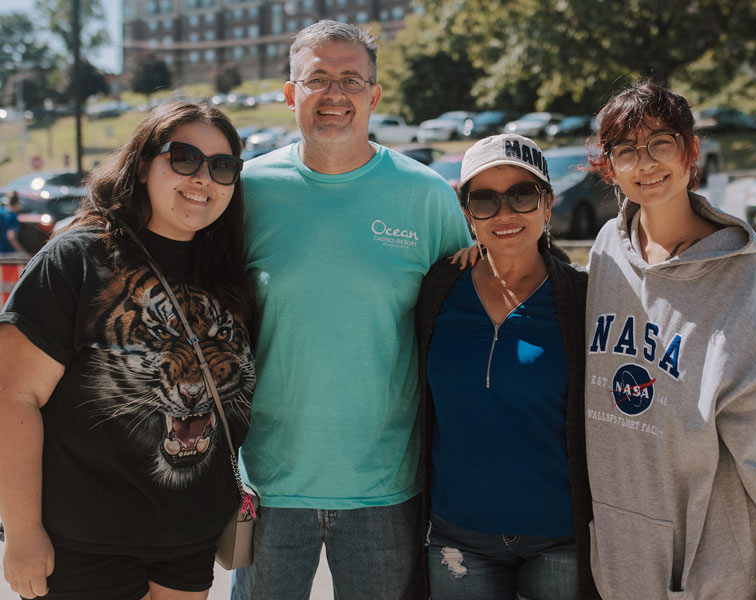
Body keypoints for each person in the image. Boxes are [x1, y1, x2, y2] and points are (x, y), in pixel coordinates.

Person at [231, 19, 471, 600]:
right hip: (268, 483)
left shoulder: (426, 196)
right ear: (290, 94)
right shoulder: (247, 192)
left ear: (374, 95)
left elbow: (468, 314)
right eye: (317, 80)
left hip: (385, 486)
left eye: (351, 80)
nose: (334, 95)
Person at [0, 102, 255, 600]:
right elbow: (13, 397)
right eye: (184, 158)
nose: (203, 177)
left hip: (190, 538)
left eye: (222, 166)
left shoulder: (226, 274)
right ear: (142, 165)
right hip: (87, 542)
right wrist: (23, 531)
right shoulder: (78, 257)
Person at [584, 80, 756, 599]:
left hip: (713, 575)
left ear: (691, 150)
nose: (646, 163)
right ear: (609, 166)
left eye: (661, 142)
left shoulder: (742, 277)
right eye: (627, 149)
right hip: (618, 564)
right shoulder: (607, 252)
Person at [415, 134, 599, 599]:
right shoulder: (439, 287)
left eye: (522, 195)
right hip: (458, 537)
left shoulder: (583, 297)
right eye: (485, 200)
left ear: (548, 204)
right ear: (467, 212)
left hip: (560, 538)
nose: (504, 213)